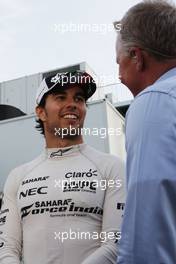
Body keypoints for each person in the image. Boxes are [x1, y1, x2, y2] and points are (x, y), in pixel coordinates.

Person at [0, 70, 125, 264]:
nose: (72, 104)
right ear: (41, 112)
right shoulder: (18, 176)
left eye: (79, 98)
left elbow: (117, 242)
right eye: (60, 97)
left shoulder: (112, 167)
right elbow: (6, 247)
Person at [114, 1, 176, 263]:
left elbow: (147, 232)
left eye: (119, 62)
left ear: (137, 58)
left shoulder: (155, 100)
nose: (118, 75)